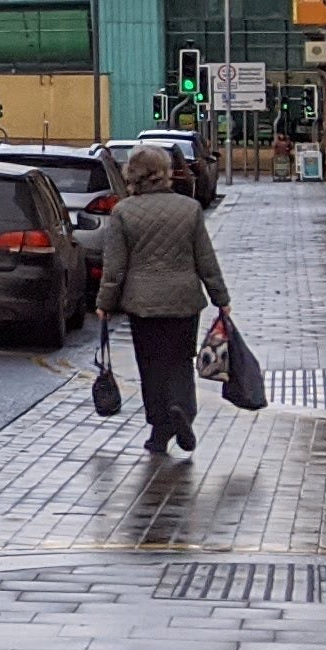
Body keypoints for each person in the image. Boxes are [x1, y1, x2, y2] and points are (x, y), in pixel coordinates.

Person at [96, 144, 229, 460]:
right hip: (184, 300)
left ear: (133, 175)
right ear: (166, 173)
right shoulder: (189, 209)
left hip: (142, 304)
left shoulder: (123, 213)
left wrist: (104, 303)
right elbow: (205, 259)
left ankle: (159, 430)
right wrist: (221, 298)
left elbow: (115, 268)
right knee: (181, 359)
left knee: (151, 364)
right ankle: (183, 410)